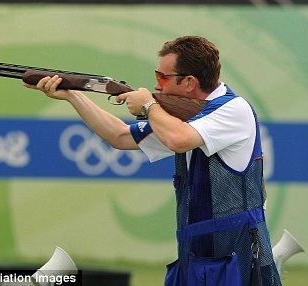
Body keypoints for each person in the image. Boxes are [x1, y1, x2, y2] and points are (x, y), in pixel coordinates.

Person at [25, 35, 281, 286]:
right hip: (195, 257)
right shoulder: (181, 118)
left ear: (190, 82)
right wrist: (73, 95)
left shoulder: (234, 110)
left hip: (236, 259)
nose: (156, 85)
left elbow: (178, 139)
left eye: (162, 77)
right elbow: (119, 136)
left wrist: (148, 105)